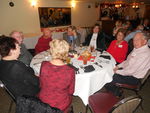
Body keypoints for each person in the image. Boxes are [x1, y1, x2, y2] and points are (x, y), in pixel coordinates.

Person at [105, 32, 150, 96]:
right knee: (108, 72)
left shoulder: (145, 54)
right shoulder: (137, 48)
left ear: (145, 41)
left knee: (107, 76)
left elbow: (131, 71)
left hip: (134, 78)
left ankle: (117, 93)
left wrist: (116, 71)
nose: (135, 42)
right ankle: (115, 89)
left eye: (137, 39)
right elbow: (127, 61)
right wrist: (117, 66)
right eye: (134, 40)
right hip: (128, 71)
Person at [38, 39, 75, 113]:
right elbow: (71, 91)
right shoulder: (70, 71)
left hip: (44, 101)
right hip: (61, 103)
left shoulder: (44, 64)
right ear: (66, 53)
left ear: (52, 51)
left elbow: (41, 84)